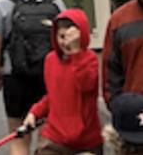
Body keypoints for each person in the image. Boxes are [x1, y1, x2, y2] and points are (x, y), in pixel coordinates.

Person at [0, 0, 63, 155]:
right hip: (48, 76)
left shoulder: (3, 5)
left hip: (16, 77)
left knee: (18, 136)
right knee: (46, 135)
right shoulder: (55, 4)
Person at [22, 9, 101, 155]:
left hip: (87, 139)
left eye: (70, 38)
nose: (66, 43)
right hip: (55, 137)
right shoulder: (51, 60)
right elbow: (53, 96)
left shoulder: (90, 59)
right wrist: (35, 112)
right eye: (61, 37)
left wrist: (76, 54)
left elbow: (86, 85)